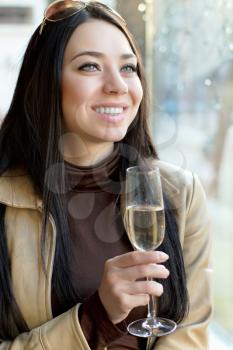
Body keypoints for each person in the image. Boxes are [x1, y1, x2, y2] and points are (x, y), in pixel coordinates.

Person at [0, 1, 212, 349]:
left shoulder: (181, 194)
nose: (117, 85)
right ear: (46, 82)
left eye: (128, 68)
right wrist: (93, 319)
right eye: (90, 66)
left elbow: (189, 336)